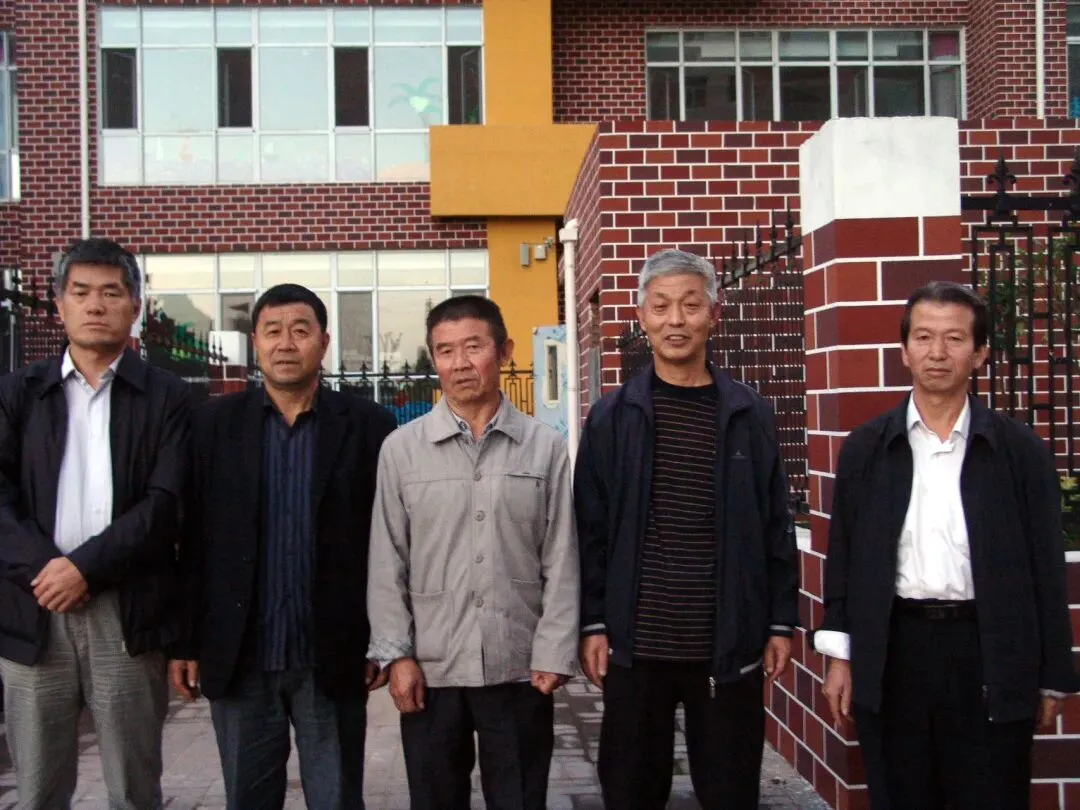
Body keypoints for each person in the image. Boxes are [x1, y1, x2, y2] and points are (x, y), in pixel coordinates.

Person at [816, 281, 1079, 810]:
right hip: (896, 648)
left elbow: (1045, 567)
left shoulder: (1019, 452)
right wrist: (840, 657)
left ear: (979, 353)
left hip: (988, 648)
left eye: (955, 338)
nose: (937, 353)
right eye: (923, 337)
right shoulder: (868, 448)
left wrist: (1052, 676)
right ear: (904, 349)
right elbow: (843, 557)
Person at [574, 249, 800, 810]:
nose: (675, 320)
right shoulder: (612, 417)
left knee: (729, 791)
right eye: (661, 306)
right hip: (636, 643)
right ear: (642, 317)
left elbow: (775, 524)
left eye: (690, 305)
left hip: (727, 642)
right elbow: (590, 530)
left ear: (713, 315)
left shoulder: (749, 413)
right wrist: (593, 622)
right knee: (630, 791)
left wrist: (780, 621)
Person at [169, 283, 397, 810]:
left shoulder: (369, 427)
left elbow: (388, 543)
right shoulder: (211, 427)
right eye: (273, 331)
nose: (286, 343)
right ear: (256, 342)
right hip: (241, 655)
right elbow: (192, 540)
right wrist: (184, 642)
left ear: (324, 341)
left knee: (338, 799)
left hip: (333, 654)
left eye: (300, 330)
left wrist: (384, 641)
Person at [367, 295, 578, 810]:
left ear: (503, 351)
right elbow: (387, 560)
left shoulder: (544, 446)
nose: (460, 363)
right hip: (431, 669)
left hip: (519, 665)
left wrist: (554, 650)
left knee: (520, 799)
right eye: (445, 350)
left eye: (473, 347)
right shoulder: (401, 450)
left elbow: (561, 556)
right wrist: (397, 656)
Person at [0, 238, 191, 809]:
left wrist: (84, 569)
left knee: (133, 788)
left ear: (135, 306)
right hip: (34, 606)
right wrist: (48, 570)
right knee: (37, 788)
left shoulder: (168, 397)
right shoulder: (18, 393)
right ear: (59, 305)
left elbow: (166, 503)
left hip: (127, 613)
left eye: (111, 292)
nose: (95, 305)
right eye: (80, 292)